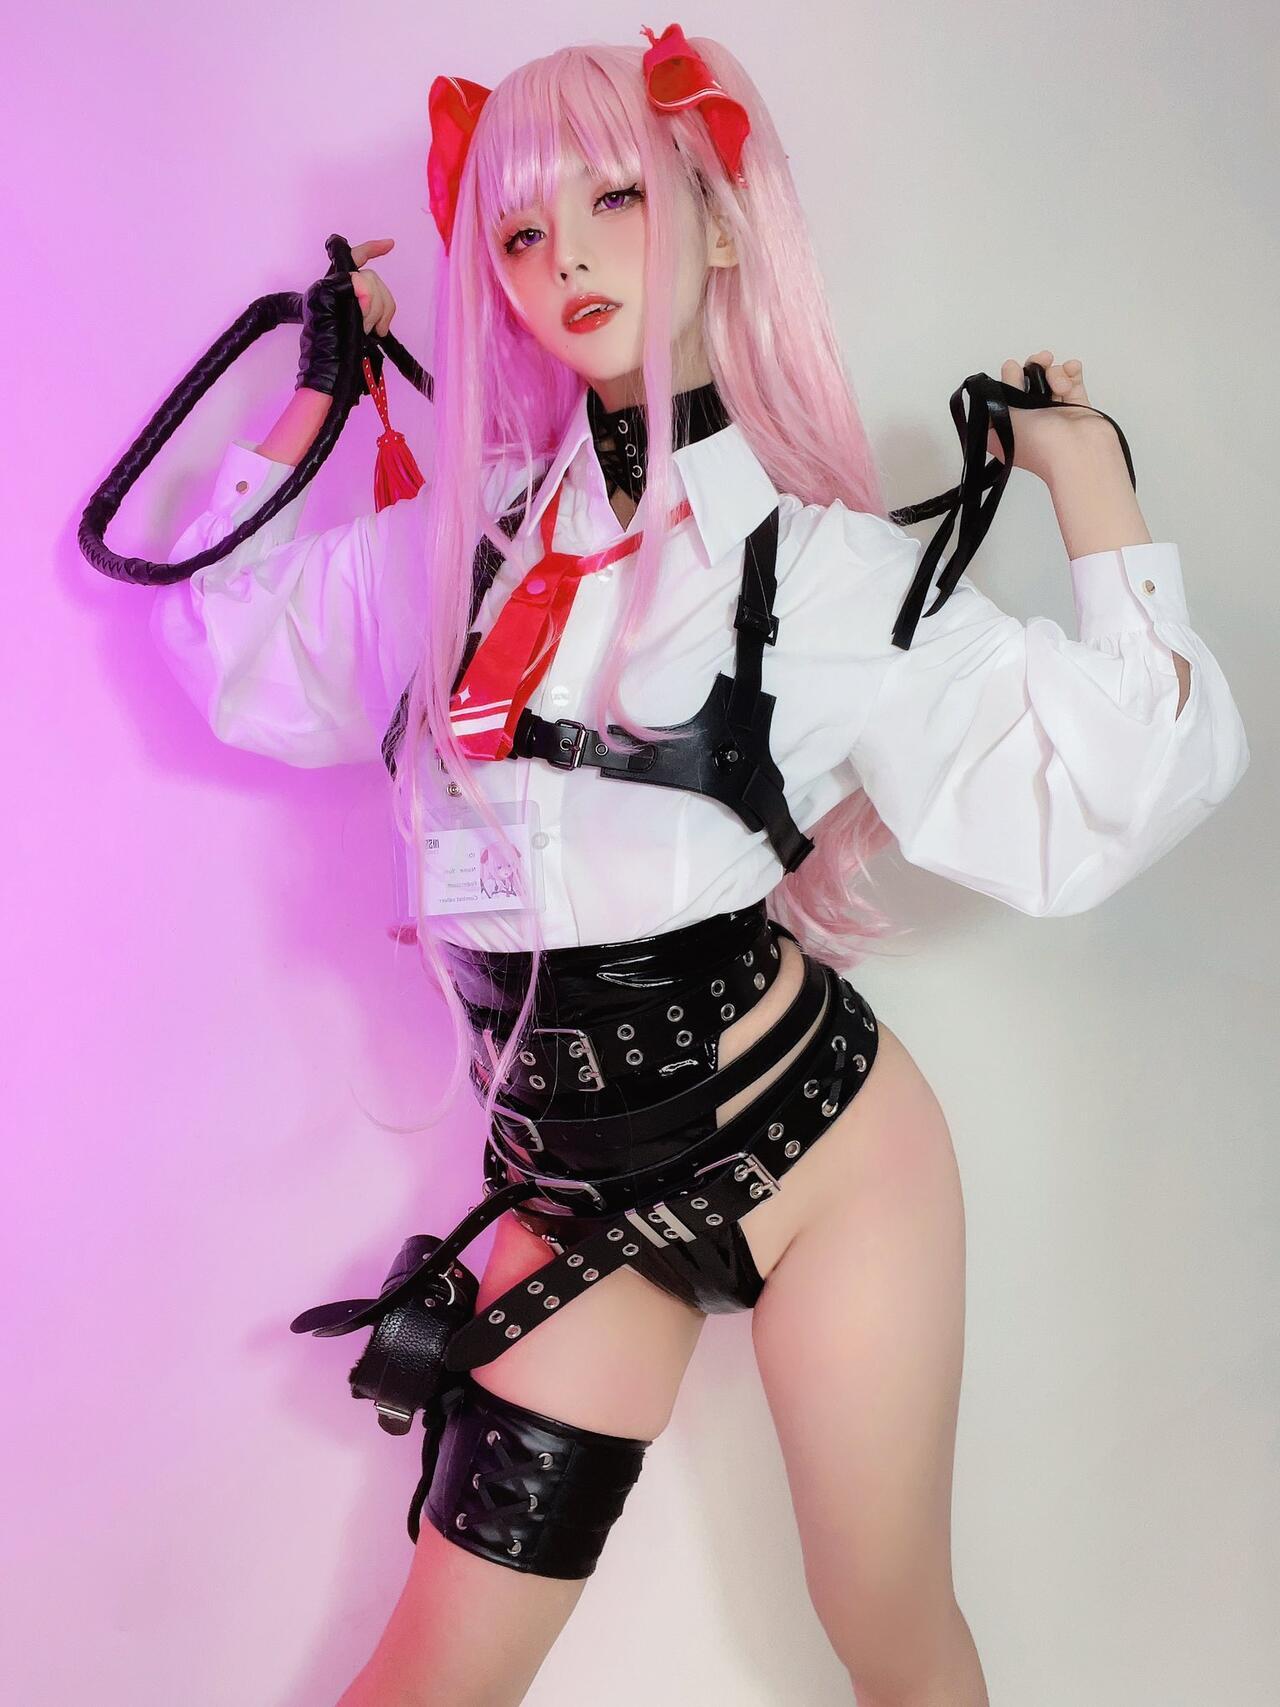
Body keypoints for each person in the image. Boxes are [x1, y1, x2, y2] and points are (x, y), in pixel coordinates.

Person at [148, 26, 1249, 1707]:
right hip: (580, 1198)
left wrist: (1086, 470)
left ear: (721, 225)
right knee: (430, 1678)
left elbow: (1111, 788)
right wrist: (322, 385)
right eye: (522, 230)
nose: (568, 258)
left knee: (888, 1628)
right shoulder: (456, 546)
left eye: (617, 200)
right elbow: (230, 650)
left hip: (828, 1157)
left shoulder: (823, 570)